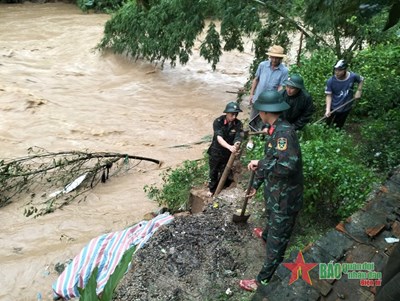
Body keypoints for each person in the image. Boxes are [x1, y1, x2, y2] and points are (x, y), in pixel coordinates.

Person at [239, 91, 304, 292]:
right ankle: (267, 234)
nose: (258, 112)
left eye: (260, 109)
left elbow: (286, 166)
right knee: (272, 221)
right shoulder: (275, 130)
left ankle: (263, 281)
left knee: (277, 243)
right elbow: (271, 158)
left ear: (266, 111)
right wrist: (256, 185)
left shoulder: (284, 134)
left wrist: (261, 163)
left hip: (285, 198)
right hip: (275, 193)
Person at [207, 102, 243, 197]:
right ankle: (212, 189)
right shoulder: (218, 122)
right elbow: (219, 138)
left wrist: (236, 144)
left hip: (227, 153)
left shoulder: (238, 124)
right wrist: (229, 147)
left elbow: (238, 136)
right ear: (226, 113)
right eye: (232, 114)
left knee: (224, 171)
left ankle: (222, 187)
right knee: (213, 171)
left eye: (236, 114)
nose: (234, 117)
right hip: (216, 151)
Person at [249, 45, 289, 120]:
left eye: (277, 58)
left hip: (270, 102)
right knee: (253, 120)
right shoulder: (262, 65)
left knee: (266, 122)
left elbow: (281, 87)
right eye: (272, 57)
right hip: (257, 98)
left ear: (281, 58)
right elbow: (256, 79)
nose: (274, 60)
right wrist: (251, 94)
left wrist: (276, 101)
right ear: (270, 57)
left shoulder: (284, 71)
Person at [324, 59, 364, 129]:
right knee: (327, 125)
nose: (337, 72)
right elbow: (328, 96)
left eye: (340, 70)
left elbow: (361, 79)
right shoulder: (331, 81)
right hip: (333, 107)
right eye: (336, 70)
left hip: (346, 107)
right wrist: (327, 110)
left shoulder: (352, 76)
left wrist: (359, 91)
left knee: (338, 126)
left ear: (345, 70)